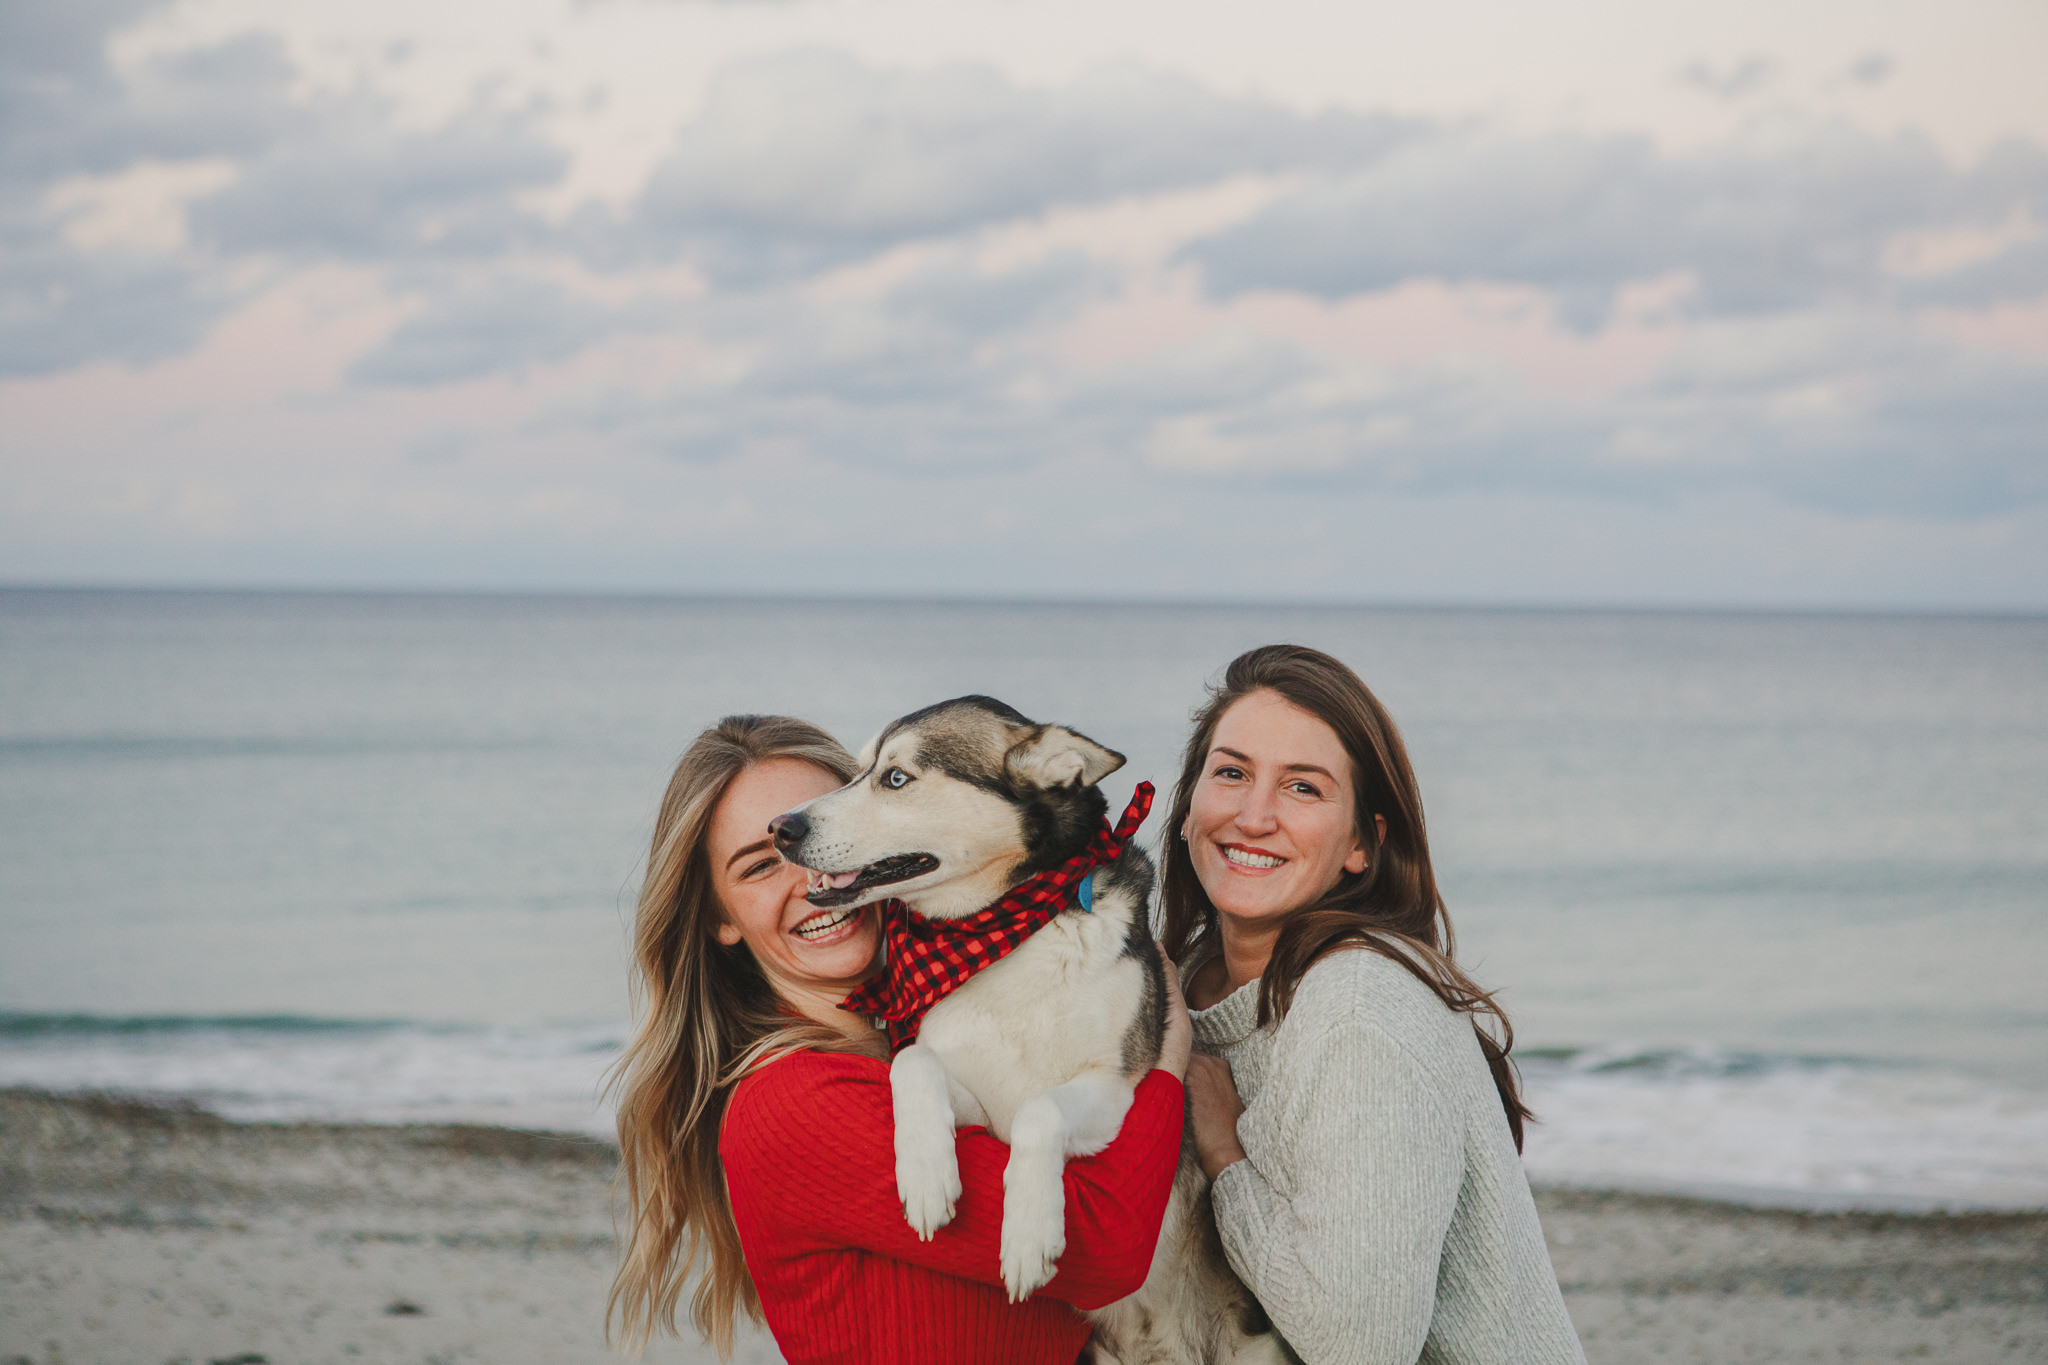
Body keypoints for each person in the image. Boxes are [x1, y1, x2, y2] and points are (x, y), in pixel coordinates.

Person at [607, 713, 1190, 1365]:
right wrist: (1165, 1051)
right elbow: (1103, 1249)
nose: (813, 878)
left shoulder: (923, 1038)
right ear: (720, 917)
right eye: (758, 866)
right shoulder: (797, 1104)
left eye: (822, 830)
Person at [1165, 646, 1586, 1365]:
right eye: (1231, 772)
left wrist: (1224, 1152)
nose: (1254, 814)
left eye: (1303, 788)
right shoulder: (1180, 987)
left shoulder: (1360, 1008)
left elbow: (1360, 1343)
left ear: (1361, 843)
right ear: (1190, 802)